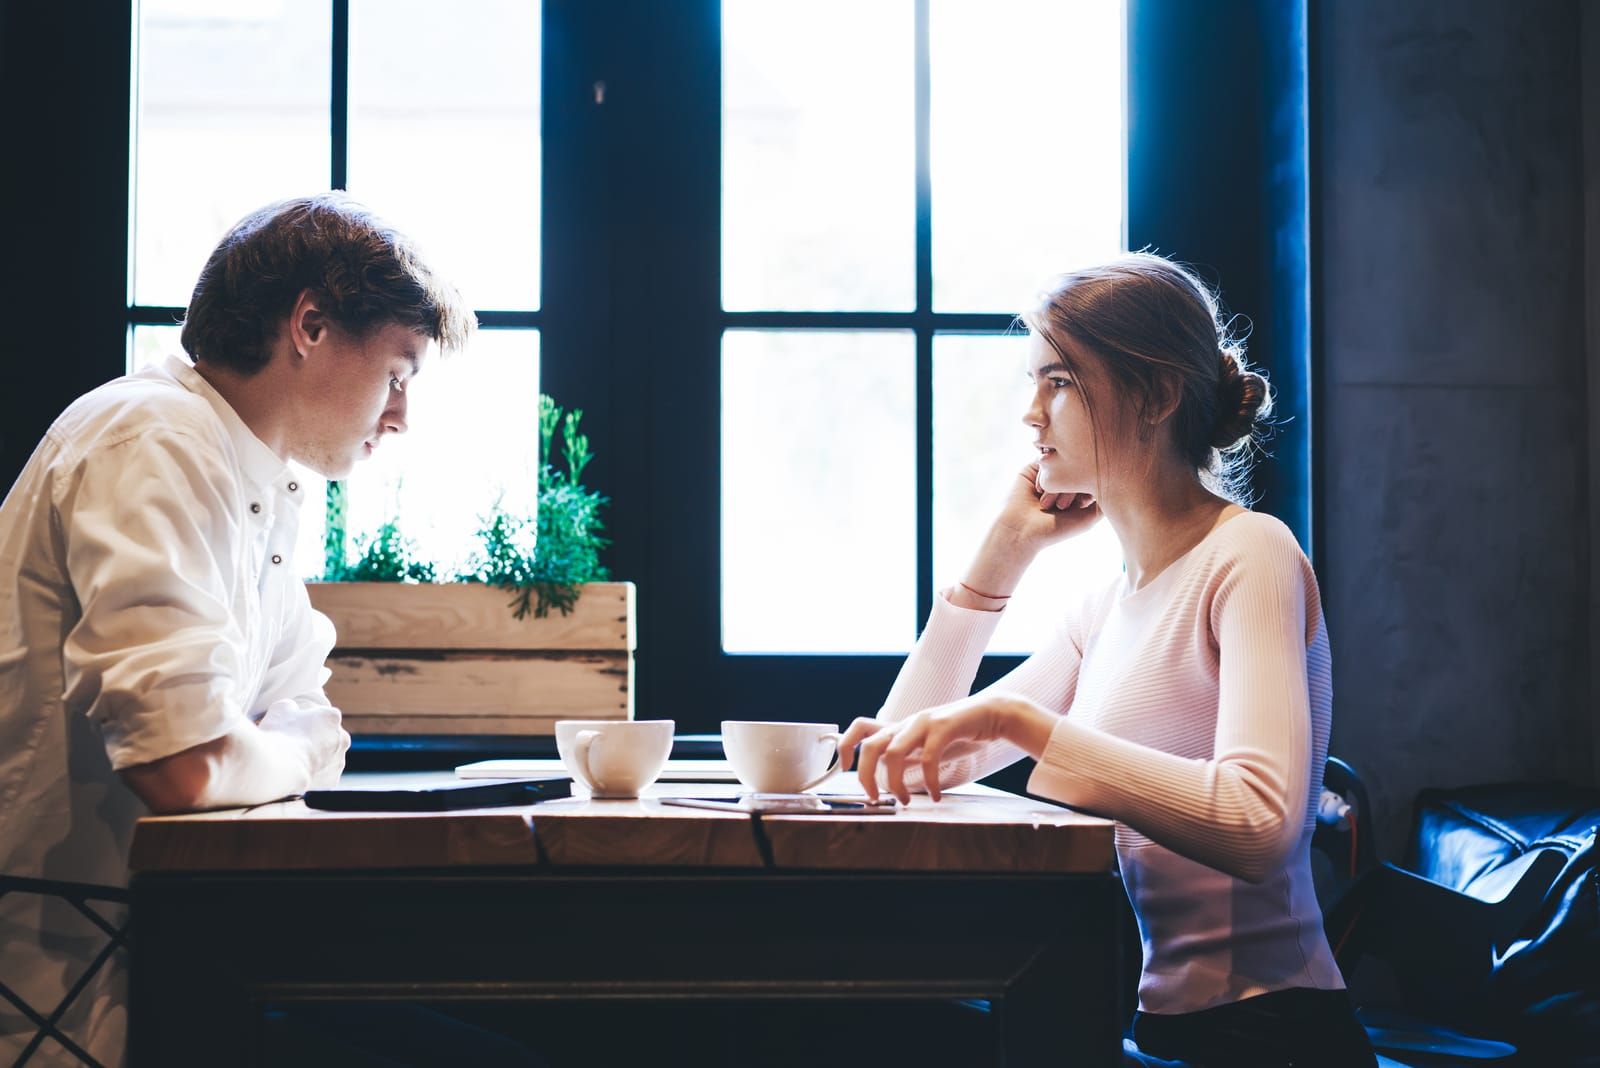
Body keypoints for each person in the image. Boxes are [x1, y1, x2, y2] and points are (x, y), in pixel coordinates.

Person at [838, 253, 1377, 1067]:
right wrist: (998, 560)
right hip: (1166, 1034)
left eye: (1057, 380)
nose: (1030, 414)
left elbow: (1259, 825)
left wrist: (1017, 721)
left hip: (1276, 1034)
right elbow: (906, 760)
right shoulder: (1104, 609)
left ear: (1156, 395)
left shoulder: (1252, 555)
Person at [0, 192, 474, 1067]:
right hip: (64, 997)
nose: (402, 416)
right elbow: (185, 766)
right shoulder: (152, 440)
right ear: (311, 325)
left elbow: (313, 719)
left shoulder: (249, 476)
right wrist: (267, 750)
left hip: (165, 959)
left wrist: (265, 746)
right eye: (399, 372)